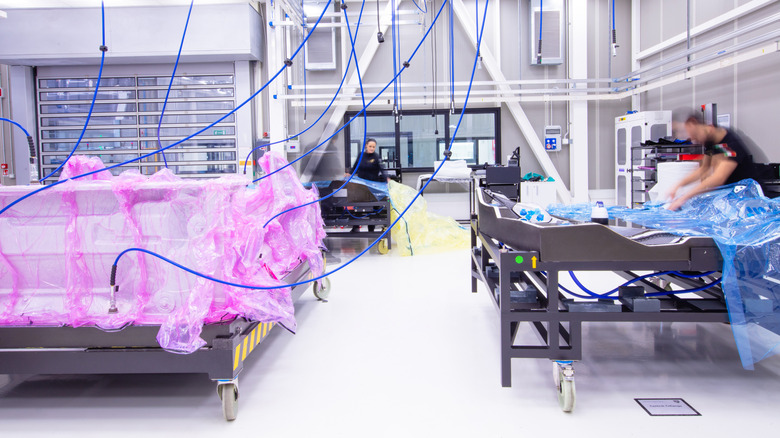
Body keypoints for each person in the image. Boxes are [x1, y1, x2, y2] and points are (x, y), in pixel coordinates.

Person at [666, 109, 761, 210]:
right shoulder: (711, 143)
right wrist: (678, 186)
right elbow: (703, 168)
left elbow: (718, 178)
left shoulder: (730, 145)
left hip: (749, 201)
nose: (693, 140)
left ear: (693, 122)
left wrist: (684, 198)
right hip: (733, 199)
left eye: (694, 135)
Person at [345, 138, 390, 232]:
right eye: (370, 146)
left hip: (373, 186)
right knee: (357, 206)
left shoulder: (377, 156)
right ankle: (356, 227)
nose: (372, 148)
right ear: (366, 146)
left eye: (373, 147)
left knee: (372, 208)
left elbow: (382, 169)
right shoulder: (361, 155)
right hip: (360, 186)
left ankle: (371, 229)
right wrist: (349, 173)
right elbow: (355, 167)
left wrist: (387, 178)